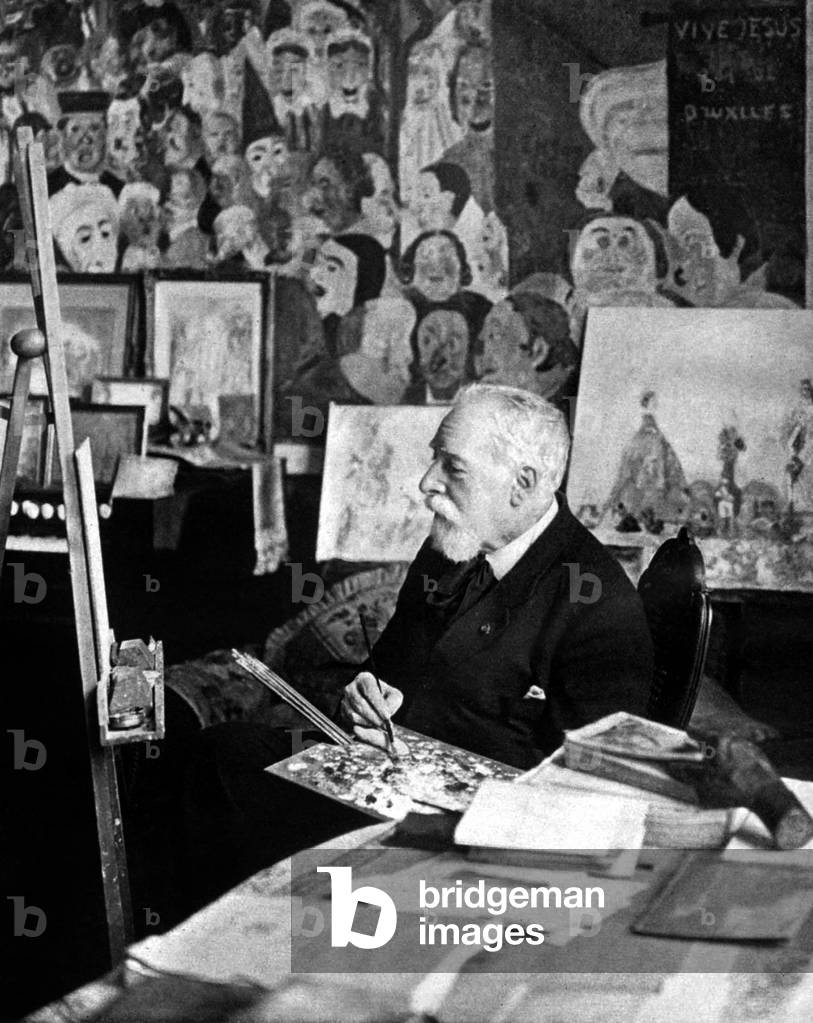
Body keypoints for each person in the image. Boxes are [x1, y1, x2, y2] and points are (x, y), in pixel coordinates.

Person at [182, 384, 653, 906]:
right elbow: (385, 672)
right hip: (380, 777)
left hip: (469, 836)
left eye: (453, 467)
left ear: (523, 483)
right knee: (219, 755)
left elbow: (591, 795)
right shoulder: (451, 547)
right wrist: (364, 696)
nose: (427, 483)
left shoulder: (598, 604)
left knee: (234, 794)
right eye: (434, 459)